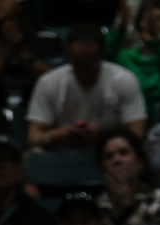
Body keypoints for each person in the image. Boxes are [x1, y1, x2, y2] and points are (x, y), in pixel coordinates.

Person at [28, 21, 148, 149]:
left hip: (108, 151)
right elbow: (33, 137)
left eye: (89, 66)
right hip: (63, 151)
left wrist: (103, 134)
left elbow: (138, 134)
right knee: (36, 151)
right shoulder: (49, 82)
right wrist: (58, 134)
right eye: (80, 66)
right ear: (70, 56)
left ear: (101, 56)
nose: (84, 73)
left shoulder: (124, 79)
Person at [105, 0, 160, 113]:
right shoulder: (124, 57)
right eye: (146, 19)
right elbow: (105, 54)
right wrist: (122, 27)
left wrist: (157, 42)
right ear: (138, 25)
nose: (152, 24)